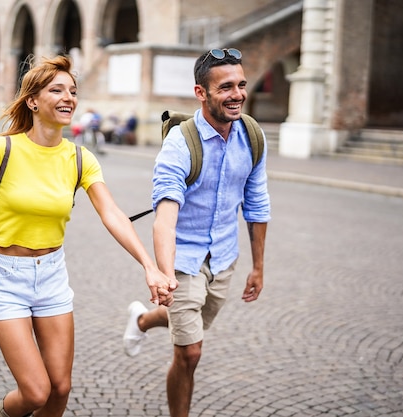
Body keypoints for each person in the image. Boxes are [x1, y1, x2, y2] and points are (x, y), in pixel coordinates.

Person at [0, 55, 177, 417]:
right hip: (7, 277)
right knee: (36, 392)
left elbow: (112, 213)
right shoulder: (1, 150)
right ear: (33, 101)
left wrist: (149, 265)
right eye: (56, 89)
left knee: (60, 389)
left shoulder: (80, 158)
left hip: (52, 275)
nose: (68, 97)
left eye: (72, 90)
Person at [122, 48, 271, 417]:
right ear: (201, 93)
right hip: (184, 259)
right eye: (225, 88)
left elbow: (257, 204)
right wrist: (165, 275)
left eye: (241, 85)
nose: (237, 94)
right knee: (190, 352)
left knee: (190, 327)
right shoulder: (180, 145)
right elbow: (165, 217)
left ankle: (141, 320)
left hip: (223, 257)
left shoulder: (251, 137)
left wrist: (258, 267)